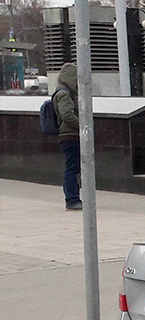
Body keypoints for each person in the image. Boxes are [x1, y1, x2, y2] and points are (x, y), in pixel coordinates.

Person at [53, 61, 81, 211]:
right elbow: (67, 114)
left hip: (70, 135)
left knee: (74, 167)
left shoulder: (65, 92)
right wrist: (83, 126)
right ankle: (72, 199)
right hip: (69, 135)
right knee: (72, 168)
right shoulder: (64, 93)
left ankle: (74, 196)